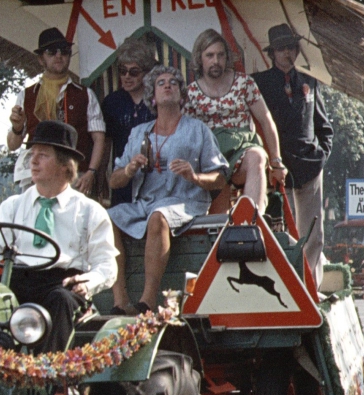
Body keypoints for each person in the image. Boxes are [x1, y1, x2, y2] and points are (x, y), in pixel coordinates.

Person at [0, 122, 118, 352]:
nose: (33, 162)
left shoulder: (89, 211)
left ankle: (49, 378)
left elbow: (106, 266)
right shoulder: (13, 205)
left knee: (60, 300)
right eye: (32, 155)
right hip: (19, 281)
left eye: (43, 156)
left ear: (65, 165)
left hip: (63, 286)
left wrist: (86, 283)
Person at [108, 66, 228, 313]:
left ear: (182, 96)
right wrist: (130, 170)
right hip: (146, 203)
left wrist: (193, 175)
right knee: (107, 219)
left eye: (174, 82)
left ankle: (148, 300)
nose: (167, 85)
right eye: (161, 82)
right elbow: (114, 180)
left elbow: (220, 179)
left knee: (159, 217)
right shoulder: (139, 132)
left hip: (187, 201)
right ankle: (120, 301)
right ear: (153, 96)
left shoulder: (197, 130)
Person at [252, 24, 333, 285]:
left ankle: (311, 287)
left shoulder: (309, 82)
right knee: (280, 231)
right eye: (281, 49)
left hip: (309, 164)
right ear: (272, 53)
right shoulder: (259, 82)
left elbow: (324, 126)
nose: (287, 53)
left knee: (313, 232)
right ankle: (286, 285)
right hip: (277, 166)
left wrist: (321, 155)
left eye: (291, 47)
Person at [184, 29, 286, 215]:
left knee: (257, 156)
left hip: (242, 150)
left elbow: (266, 119)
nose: (216, 61)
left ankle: (253, 218)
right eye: (210, 55)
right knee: (218, 216)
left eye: (220, 55)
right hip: (212, 159)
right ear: (200, 59)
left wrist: (277, 162)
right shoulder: (191, 93)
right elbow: (187, 135)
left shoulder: (243, 83)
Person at [7, 28, 105, 196]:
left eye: (64, 51)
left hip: (73, 175)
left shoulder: (84, 94)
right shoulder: (27, 95)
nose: (59, 56)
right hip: (36, 177)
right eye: (52, 52)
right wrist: (17, 127)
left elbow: (99, 137)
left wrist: (91, 172)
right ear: (40, 59)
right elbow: (12, 145)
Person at [102, 38, 157, 206]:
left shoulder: (156, 100)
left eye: (134, 72)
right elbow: (106, 145)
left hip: (153, 176)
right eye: (122, 71)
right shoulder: (112, 102)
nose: (126, 77)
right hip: (123, 176)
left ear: (147, 73)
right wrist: (101, 178)